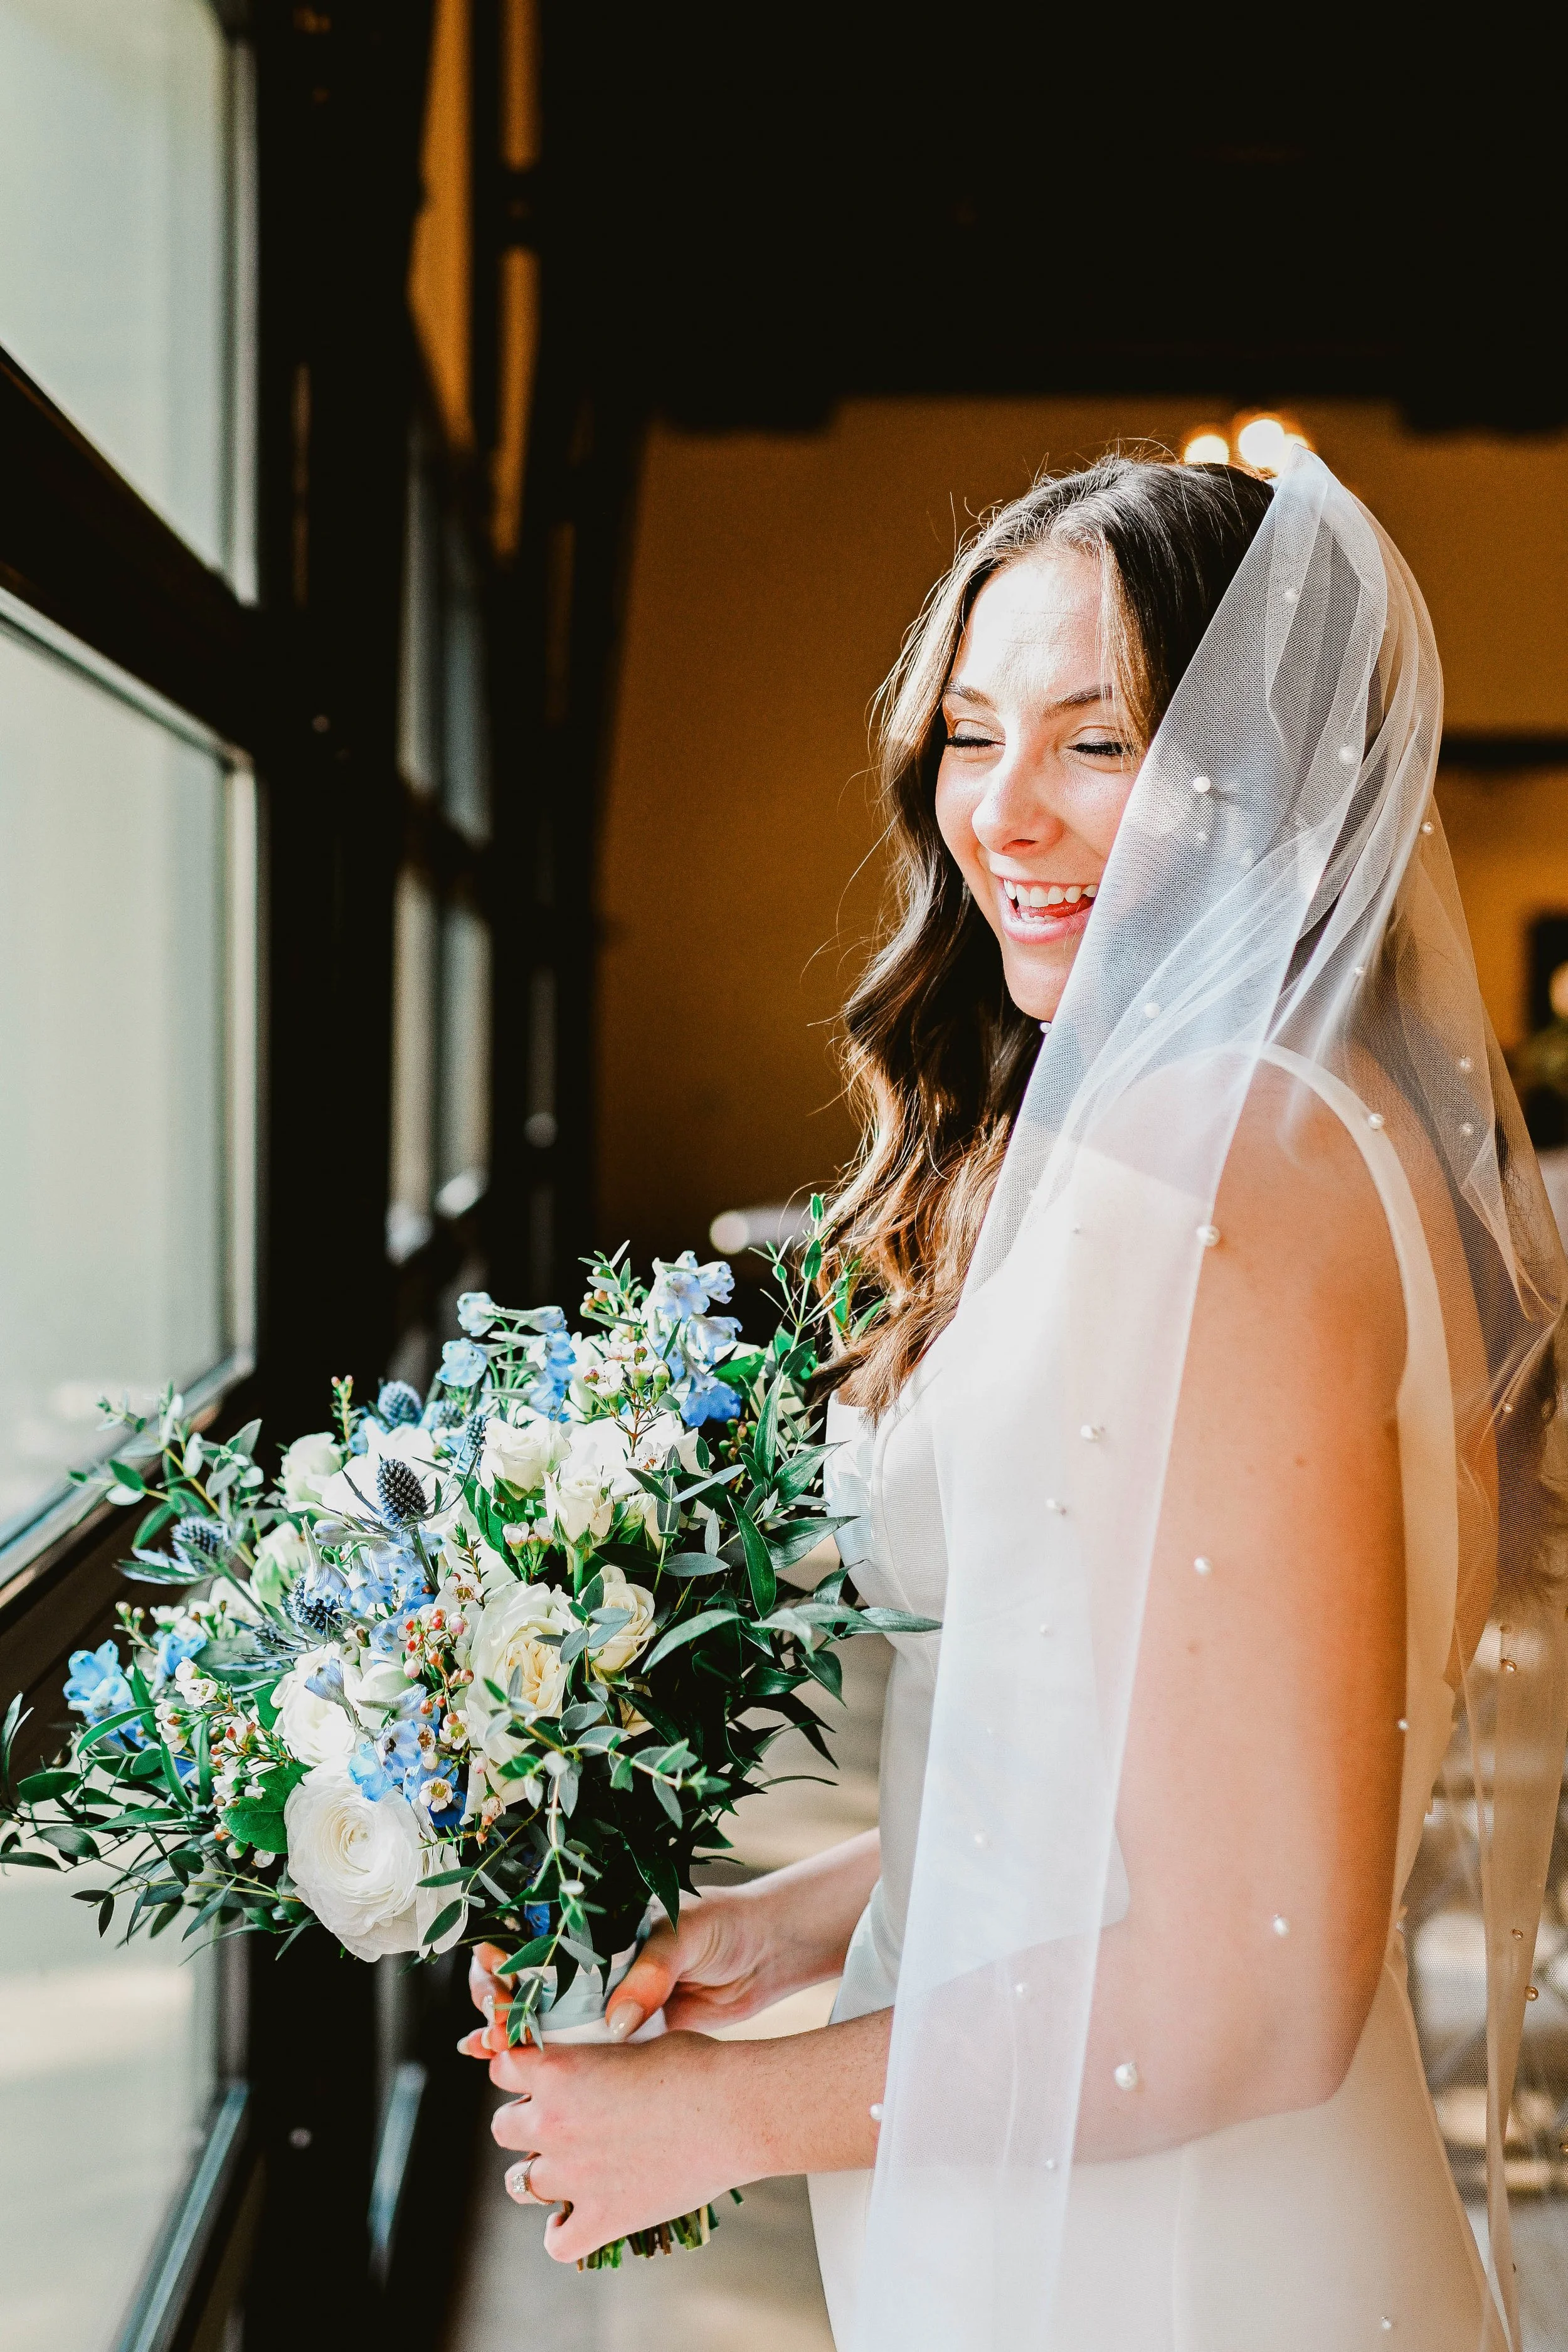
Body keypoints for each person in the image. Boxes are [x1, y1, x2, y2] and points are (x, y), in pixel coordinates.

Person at [462, 452, 1568, 2351]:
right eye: (971, 736)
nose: (1003, 816)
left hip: (1185, 2263)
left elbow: (1254, 1988)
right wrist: (819, 1908)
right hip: (1068, 2208)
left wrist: (718, 2114)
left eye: (1097, 740)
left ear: (1263, 781)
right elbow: (1176, 1743)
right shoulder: (1284, 1119)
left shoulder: (1216, 1167)